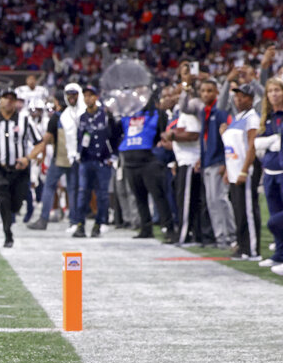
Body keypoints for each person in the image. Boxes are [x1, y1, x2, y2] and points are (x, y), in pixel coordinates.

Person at [0, 88, 42, 248]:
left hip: (19, 169)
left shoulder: (25, 120)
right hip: (0, 168)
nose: (8, 101)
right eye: (5, 98)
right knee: (3, 199)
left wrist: (28, 158)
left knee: (16, 203)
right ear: (0, 100)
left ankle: (11, 216)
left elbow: (39, 143)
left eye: (12, 98)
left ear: (16, 102)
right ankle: (8, 234)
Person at [181, 78, 236, 249]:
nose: (206, 94)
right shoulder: (204, 111)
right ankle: (220, 237)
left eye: (210, 91)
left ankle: (231, 236)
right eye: (203, 91)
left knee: (220, 199)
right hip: (207, 161)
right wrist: (185, 87)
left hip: (219, 160)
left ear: (217, 93)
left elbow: (227, 137)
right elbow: (184, 108)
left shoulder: (219, 112)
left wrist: (226, 162)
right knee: (212, 201)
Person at [118, 90, 179, 243]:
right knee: (139, 197)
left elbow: (164, 134)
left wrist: (159, 155)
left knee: (159, 196)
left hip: (149, 161)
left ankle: (169, 229)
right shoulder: (128, 114)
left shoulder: (158, 114)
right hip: (130, 162)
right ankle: (146, 228)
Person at [162, 84, 214, 246]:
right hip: (183, 159)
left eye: (179, 93)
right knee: (189, 200)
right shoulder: (180, 113)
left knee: (185, 200)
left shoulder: (191, 111)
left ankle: (184, 235)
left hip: (191, 160)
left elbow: (194, 135)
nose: (176, 97)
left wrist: (172, 136)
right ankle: (195, 235)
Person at [28, 84, 82, 231]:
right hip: (75, 157)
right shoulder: (77, 115)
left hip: (59, 157)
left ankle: (43, 219)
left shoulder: (56, 118)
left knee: (49, 187)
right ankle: (74, 221)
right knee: (72, 189)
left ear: (57, 101)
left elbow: (47, 139)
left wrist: (36, 153)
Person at [73, 84, 120, 238]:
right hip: (86, 161)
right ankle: (80, 224)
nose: (88, 98)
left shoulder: (106, 116)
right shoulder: (82, 118)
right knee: (82, 194)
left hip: (102, 161)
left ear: (96, 97)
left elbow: (115, 137)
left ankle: (98, 224)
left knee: (102, 195)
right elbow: (79, 138)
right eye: (85, 95)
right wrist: (78, 153)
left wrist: (113, 156)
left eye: (91, 95)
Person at [221, 83, 261, 260]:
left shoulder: (252, 118)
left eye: (243, 96)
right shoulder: (237, 117)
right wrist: (228, 171)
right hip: (234, 169)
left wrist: (245, 170)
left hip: (245, 170)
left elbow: (252, 145)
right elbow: (232, 147)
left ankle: (252, 249)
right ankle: (242, 245)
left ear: (251, 99)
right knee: (239, 210)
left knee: (248, 211)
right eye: (237, 96)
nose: (239, 99)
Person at [256, 77, 283, 273]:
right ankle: (279, 255)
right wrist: (270, 141)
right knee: (275, 216)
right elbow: (257, 143)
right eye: (270, 91)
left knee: (276, 220)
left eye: (277, 90)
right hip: (269, 171)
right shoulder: (267, 116)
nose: (274, 94)